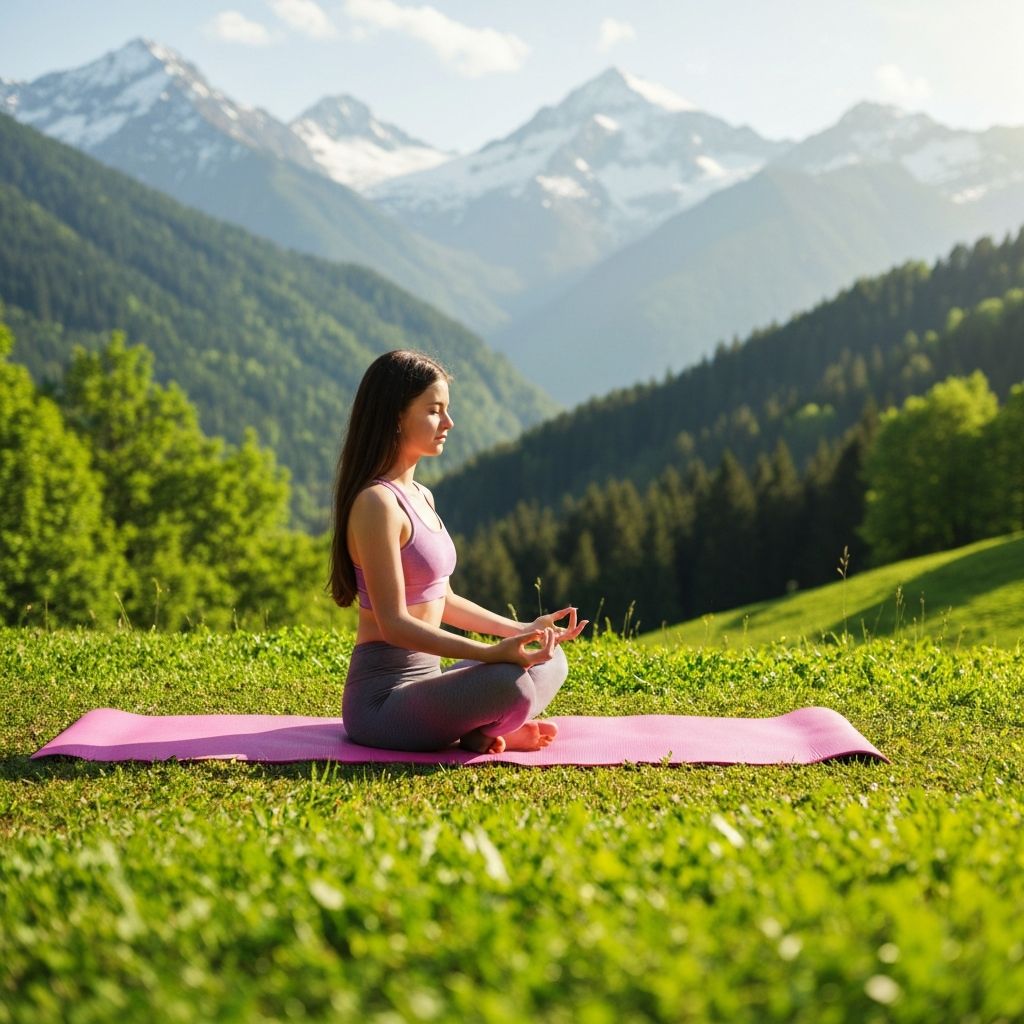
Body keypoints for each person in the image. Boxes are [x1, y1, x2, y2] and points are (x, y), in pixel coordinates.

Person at [328, 349, 587, 754]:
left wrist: (522, 632)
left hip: (428, 686)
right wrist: (489, 652)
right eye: (434, 411)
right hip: (383, 703)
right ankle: (487, 723)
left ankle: (479, 727)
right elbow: (394, 623)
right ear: (396, 415)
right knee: (510, 684)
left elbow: (442, 599)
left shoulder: (421, 496)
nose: (448, 423)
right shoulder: (376, 504)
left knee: (550, 660)